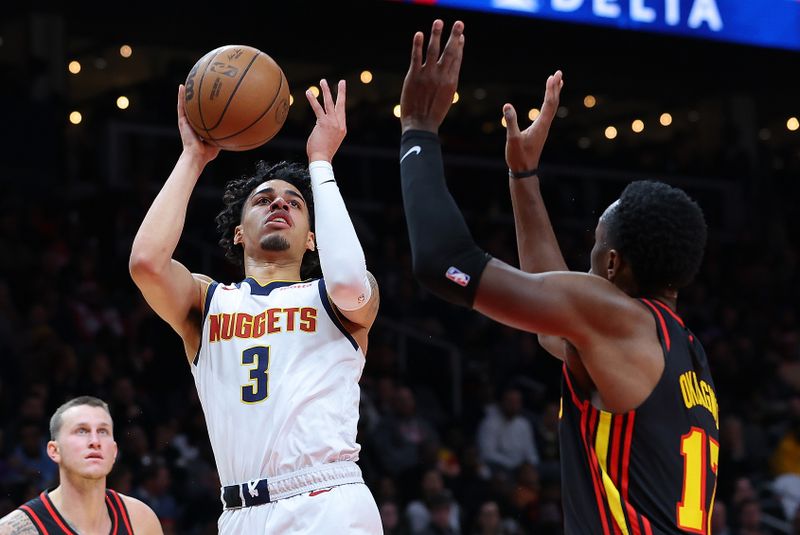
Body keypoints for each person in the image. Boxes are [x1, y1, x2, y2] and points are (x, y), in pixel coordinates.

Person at [398, 19, 718, 534]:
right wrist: (523, 178)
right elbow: (553, 315)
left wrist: (418, 129)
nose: (585, 262)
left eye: (594, 246)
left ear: (612, 266)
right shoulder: (683, 351)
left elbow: (441, 262)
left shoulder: (622, 323)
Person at [129, 77, 382, 534]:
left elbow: (347, 279)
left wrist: (321, 162)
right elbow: (146, 263)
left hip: (326, 499)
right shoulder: (208, 301)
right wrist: (193, 158)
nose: (279, 204)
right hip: (240, 513)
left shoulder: (334, 297)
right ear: (240, 233)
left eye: (295, 202)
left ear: (312, 238)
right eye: (263, 200)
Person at [0, 396, 162, 534]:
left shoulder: (141, 520)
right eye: (81, 431)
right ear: (54, 450)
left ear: (114, 451)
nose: (95, 441)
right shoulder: (15, 529)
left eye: (103, 431)